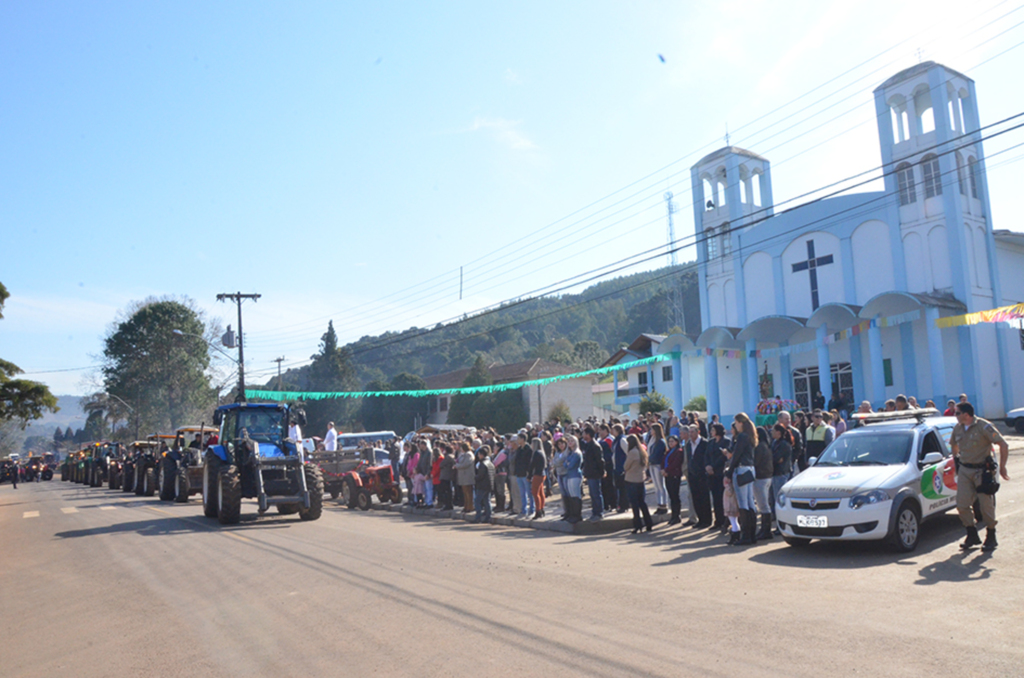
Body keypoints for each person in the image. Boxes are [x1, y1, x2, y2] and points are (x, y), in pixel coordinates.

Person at [950, 401, 1010, 552]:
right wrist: (957, 463)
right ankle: (971, 534)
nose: (955, 415)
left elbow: (1003, 444)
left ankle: (991, 535)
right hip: (965, 470)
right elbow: (954, 446)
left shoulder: (983, 426)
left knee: (985, 505)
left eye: (957, 413)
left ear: (966, 414)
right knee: (962, 505)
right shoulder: (957, 428)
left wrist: (1002, 467)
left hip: (982, 471)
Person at [728, 413, 758, 546]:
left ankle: (746, 535)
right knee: (750, 501)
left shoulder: (742, 436)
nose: (735, 425)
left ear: (740, 422)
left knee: (743, 503)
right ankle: (752, 534)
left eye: (736, 422)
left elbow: (736, 455)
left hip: (741, 469)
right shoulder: (750, 435)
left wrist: (729, 471)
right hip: (750, 469)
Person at [623, 434, 653, 534]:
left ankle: (637, 525)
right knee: (642, 503)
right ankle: (649, 523)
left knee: (634, 504)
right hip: (640, 479)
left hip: (631, 480)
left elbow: (626, 466)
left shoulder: (632, 453)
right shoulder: (642, 451)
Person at [686, 425, 712, 528]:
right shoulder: (688, 444)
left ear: (698, 432)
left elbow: (707, 457)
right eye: (689, 432)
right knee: (695, 498)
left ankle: (707, 520)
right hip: (692, 475)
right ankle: (700, 519)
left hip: (702, 474)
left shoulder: (705, 443)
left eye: (692, 432)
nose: (690, 434)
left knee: (704, 498)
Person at [770, 423, 793, 535]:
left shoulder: (784, 444)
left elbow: (777, 458)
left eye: (773, 430)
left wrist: (774, 459)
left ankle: (782, 526)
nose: (772, 432)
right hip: (775, 473)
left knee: (780, 500)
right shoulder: (775, 443)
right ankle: (779, 525)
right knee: (775, 500)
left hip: (781, 473)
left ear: (779, 432)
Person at [752, 426, 774, 541]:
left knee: (763, 505)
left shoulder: (760, 447)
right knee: (764, 504)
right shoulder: (766, 446)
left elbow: (756, 462)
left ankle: (766, 530)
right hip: (766, 476)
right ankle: (765, 530)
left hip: (761, 477)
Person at [705, 423, 729, 530]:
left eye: (713, 430)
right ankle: (718, 520)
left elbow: (723, 457)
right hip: (711, 474)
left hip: (720, 472)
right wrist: (707, 466)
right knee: (715, 498)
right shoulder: (710, 442)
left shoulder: (726, 441)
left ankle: (725, 520)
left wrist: (713, 467)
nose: (711, 432)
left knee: (722, 497)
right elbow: (706, 455)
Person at [580, 427, 605, 521]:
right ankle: (594, 512)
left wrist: (602, 472)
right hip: (590, 473)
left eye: (584, 433)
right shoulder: (587, 445)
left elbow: (600, 461)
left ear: (588, 435)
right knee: (592, 493)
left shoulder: (595, 446)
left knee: (596, 493)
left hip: (595, 473)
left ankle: (599, 512)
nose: (583, 435)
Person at [561, 434, 583, 524]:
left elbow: (570, 465)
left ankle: (577, 515)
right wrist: (567, 462)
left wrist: (567, 462)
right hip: (569, 475)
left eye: (572, 441)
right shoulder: (570, 453)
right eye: (569, 441)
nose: (570, 442)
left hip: (575, 475)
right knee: (571, 495)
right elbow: (565, 464)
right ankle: (572, 514)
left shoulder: (577, 453)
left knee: (575, 495)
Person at [662, 434, 685, 526]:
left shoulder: (678, 451)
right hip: (667, 475)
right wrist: (663, 469)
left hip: (674, 475)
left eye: (672, 441)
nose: (670, 443)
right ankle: (673, 515)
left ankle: (677, 515)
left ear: (676, 442)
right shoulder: (669, 451)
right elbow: (663, 461)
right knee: (671, 495)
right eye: (669, 441)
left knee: (675, 495)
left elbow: (676, 463)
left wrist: (667, 470)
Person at [647, 423, 668, 515]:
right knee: (656, 486)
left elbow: (657, 454)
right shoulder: (652, 440)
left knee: (660, 485)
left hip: (657, 464)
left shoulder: (660, 441)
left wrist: (649, 459)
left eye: (652, 429)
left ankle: (664, 504)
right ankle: (659, 504)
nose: (650, 431)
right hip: (652, 464)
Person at [512, 433, 534, 518]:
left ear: (523, 439)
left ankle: (532, 509)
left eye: (518, 438)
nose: (517, 440)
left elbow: (529, 462)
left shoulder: (528, 449)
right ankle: (523, 510)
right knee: (522, 493)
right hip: (519, 473)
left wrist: (529, 473)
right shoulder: (519, 449)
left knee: (529, 493)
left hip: (525, 474)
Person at [473, 446, 495, 524]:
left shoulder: (482, 464)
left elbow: (480, 476)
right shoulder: (490, 463)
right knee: (487, 501)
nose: (478, 456)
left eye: (479, 454)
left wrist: (475, 477)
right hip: (489, 485)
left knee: (477, 501)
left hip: (482, 485)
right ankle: (488, 517)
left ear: (481, 454)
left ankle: (478, 518)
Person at [455, 442, 475, 514]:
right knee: (464, 492)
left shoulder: (469, 454)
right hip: (463, 476)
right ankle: (466, 506)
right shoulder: (463, 454)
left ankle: (470, 506)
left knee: (468, 492)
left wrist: (457, 466)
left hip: (467, 476)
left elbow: (466, 464)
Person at [529, 437, 547, 519]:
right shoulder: (542, 452)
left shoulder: (536, 453)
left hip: (537, 474)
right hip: (542, 474)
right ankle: (542, 508)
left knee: (535, 493)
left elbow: (532, 465)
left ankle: (538, 510)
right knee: (540, 492)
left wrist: (529, 476)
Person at [439, 444, 456, 511]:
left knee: (446, 491)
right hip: (449, 476)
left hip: (446, 476)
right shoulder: (452, 456)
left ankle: (448, 505)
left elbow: (441, 464)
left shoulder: (448, 457)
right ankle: (449, 504)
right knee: (448, 491)